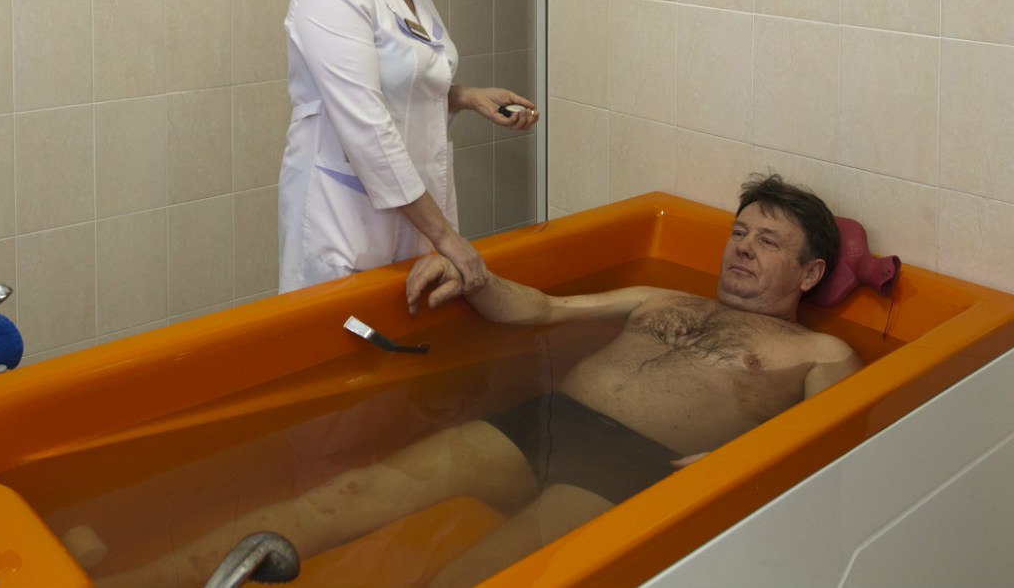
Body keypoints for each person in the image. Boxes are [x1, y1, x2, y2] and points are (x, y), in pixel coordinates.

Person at [100, 174, 864, 587]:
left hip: (633, 465)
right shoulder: (665, 295)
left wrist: (725, 468)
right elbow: (545, 309)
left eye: (768, 241)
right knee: (342, 495)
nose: (742, 248)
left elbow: (826, 444)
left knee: (475, 578)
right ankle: (127, 582)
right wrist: (473, 274)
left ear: (811, 272)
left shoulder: (820, 350)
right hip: (547, 418)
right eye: (739, 231)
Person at [278, 0, 540, 294]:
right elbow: (365, 123)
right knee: (347, 331)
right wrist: (447, 238)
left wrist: (466, 97)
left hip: (411, 210)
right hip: (345, 218)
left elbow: (399, 80)